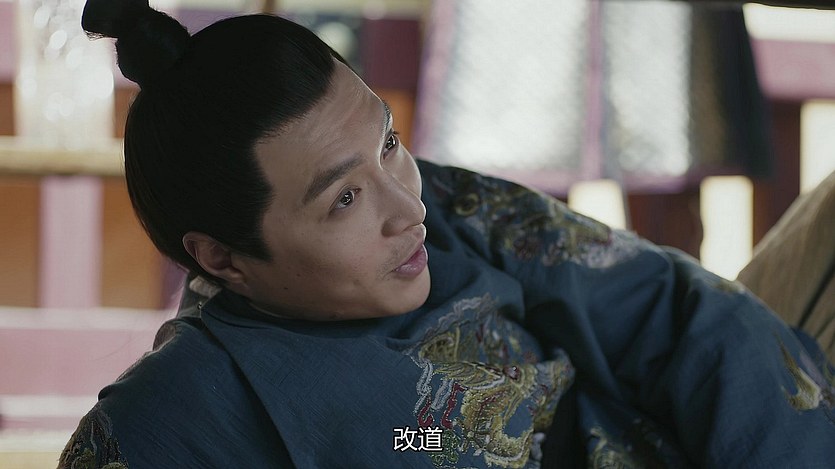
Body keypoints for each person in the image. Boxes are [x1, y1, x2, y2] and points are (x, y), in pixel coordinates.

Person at [61, 0, 835, 467]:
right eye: (343, 199)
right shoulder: (175, 420)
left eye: (389, 142)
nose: (409, 209)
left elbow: (667, 305)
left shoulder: (448, 207)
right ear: (222, 258)